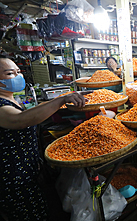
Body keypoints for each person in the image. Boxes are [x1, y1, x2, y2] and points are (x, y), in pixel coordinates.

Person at [0, 55, 89, 220]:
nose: (19, 76)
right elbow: (19, 120)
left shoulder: (12, 100)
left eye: (18, 71)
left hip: (28, 171)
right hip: (14, 178)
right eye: (10, 73)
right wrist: (61, 99)